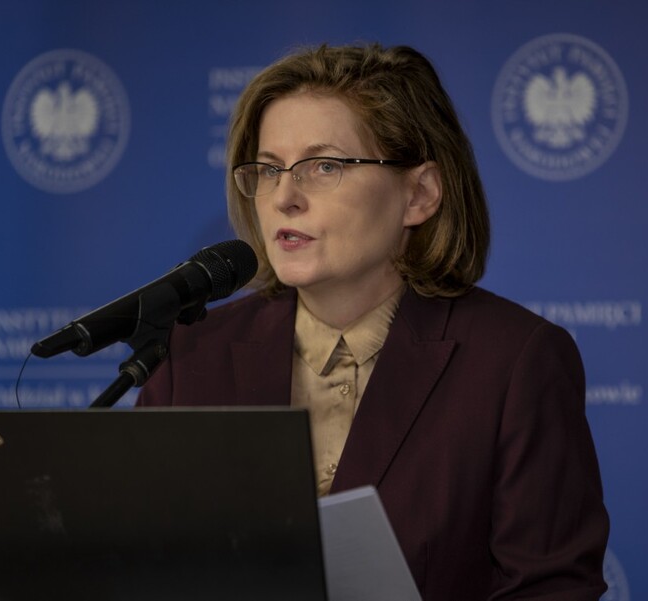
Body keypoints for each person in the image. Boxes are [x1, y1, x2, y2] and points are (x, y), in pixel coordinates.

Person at [138, 43, 609, 600]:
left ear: (419, 195)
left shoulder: (513, 363)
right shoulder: (192, 357)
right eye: (268, 169)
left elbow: (551, 591)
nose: (284, 197)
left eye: (324, 166)